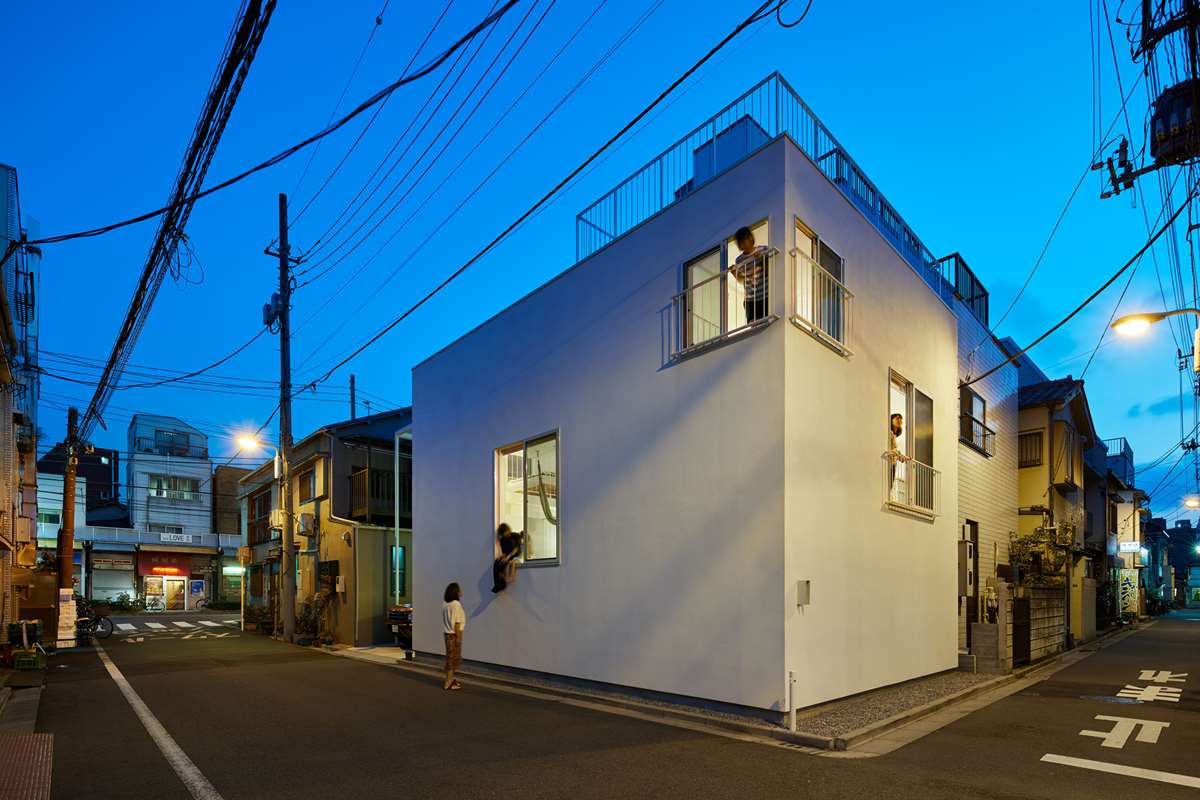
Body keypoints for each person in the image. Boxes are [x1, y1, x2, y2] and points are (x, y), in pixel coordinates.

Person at [731, 226, 768, 324]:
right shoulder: (739, 260)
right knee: (753, 324)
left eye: (746, 239)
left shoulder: (763, 249)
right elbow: (742, 279)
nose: (744, 243)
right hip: (750, 297)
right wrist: (734, 273)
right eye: (741, 242)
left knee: (766, 322)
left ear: (751, 238)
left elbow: (768, 271)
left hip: (765, 293)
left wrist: (762, 258)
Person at [442, 582, 465, 690]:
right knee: (453, 659)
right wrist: (459, 638)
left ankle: (451, 679)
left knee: (451, 658)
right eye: (459, 589)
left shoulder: (445, 604)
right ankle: (448, 682)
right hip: (453, 634)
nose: (461, 591)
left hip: (447, 634)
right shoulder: (456, 604)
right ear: (455, 592)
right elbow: (457, 622)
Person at [491, 523, 523, 593]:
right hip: (508, 557)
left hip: (515, 556)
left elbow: (516, 549)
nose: (506, 534)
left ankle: (502, 583)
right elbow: (504, 552)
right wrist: (501, 557)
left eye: (506, 532)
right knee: (497, 562)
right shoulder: (502, 540)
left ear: (508, 530)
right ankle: (498, 584)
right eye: (504, 534)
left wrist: (508, 557)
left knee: (506, 563)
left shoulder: (515, 536)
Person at [887, 413, 910, 500]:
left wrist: (903, 457)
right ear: (891, 420)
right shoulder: (889, 433)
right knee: (888, 483)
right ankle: (889, 497)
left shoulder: (894, 435)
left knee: (890, 483)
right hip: (890, 462)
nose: (900, 420)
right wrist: (901, 456)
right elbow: (891, 449)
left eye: (901, 418)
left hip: (893, 462)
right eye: (897, 418)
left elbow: (895, 451)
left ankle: (889, 497)